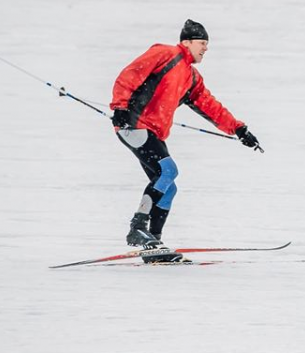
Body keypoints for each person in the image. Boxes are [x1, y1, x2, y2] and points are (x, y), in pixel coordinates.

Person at [110, 19, 261, 259]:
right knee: (168, 171)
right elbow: (130, 75)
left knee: (169, 188)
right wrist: (120, 106)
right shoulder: (165, 54)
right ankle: (137, 227)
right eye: (202, 43)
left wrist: (238, 129)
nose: (205, 48)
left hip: (153, 133)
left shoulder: (191, 77)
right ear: (187, 42)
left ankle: (155, 245)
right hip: (133, 123)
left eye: (207, 44)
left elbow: (211, 106)